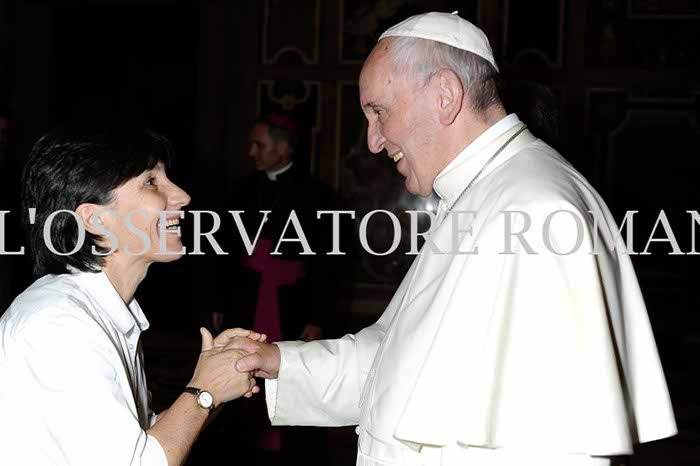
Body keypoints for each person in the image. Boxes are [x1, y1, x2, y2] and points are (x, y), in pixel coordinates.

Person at [224, 11, 677, 466]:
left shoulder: (535, 209)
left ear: (444, 95)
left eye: (379, 112)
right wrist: (278, 360)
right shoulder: (481, 192)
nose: (373, 141)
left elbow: (557, 448)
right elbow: (395, 360)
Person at [0, 125, 264, 465]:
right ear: (96, 219)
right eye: (151, 181)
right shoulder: (57, 324)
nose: (182, 196)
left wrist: (218, 378)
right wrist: (205, 389)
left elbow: (143, 439)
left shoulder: (98, 309)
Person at [211, 112, 348, 465]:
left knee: (297, 382)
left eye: (259, 145)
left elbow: (329, 266)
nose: (252, 152)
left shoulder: (319, 196)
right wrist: (221, 301)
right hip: (246, 302)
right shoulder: (241, 191)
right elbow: (226, 253)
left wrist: (319, 317)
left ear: (283, 148)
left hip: (294, 306)